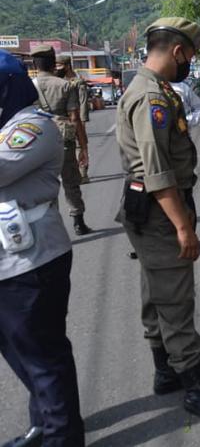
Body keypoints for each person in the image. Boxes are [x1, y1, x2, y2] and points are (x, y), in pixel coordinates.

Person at [115, 17, 200, 424]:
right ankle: (193, 387)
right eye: (191, 55)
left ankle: (166, 370)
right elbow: (156, 171)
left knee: (155, 292)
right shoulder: (151, 97)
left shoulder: (155, 89)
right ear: (178, 51)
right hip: (160, 212)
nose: (191, 63)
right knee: (175, 299)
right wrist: (183, 226)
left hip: (149, 210)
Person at [0, 49, 85, 447]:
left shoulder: (32, 126)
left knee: (43, 357)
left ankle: (62, 436)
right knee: (21, 355)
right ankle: (44, 422)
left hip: (32, 263)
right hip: (8, 264)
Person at [30, 45, 92, 236]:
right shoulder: (65, 85)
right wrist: (83, 146)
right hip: (63, 140)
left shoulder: (29, 86)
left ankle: (50, 226)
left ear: (34, 64)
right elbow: (74, 118)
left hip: (38, 142)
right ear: (53, 64)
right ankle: (78, 222)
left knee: (45, 185)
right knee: (70, 182)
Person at [55, 55, 90, 184]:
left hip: (77, 118)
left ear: (67, 66)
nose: (57, 69)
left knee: (80, 145)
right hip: (64, 119)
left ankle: (83, 173)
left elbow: (83, 102)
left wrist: (83, 121)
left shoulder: (78, 82)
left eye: (59, 66)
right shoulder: (59, 82)